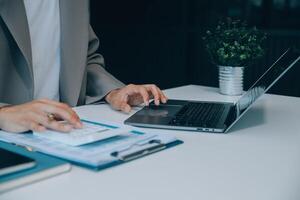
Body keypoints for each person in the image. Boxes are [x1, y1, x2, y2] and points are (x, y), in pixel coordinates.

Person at [0, 0, 167, 133]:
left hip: (67, 131)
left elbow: (84, 58)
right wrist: (4, 114)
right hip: (10, 141)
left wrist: (112, 92)